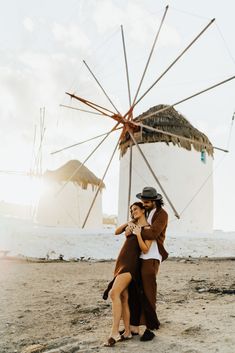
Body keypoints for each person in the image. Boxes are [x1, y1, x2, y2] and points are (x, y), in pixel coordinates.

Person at [103, 202, 153, 347]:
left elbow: (145, 249)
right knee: (124, 297)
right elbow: (117, 231)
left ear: (143, 210)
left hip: (131, 265)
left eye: (136, 209)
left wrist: (138, 234)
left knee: (114, 293)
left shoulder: (148, 229)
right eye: (132, 210)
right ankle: (127, 332)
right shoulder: (132, 224)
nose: (134, 211)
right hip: (121, 262)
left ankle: (114, 332)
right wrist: (129, 223)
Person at [128, 186, 168, 342]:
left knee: (149, 291)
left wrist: (136, 230)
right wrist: (131, 227)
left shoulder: (162, 215)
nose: (143, 204)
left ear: (154, 201)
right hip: (140, 256)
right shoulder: (145, 211)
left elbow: (152, 233)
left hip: (152, 256)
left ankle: (151, 328)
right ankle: (135, 325)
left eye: (146, 202)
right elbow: (130, 226)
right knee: (137, 291)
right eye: (143, 201)